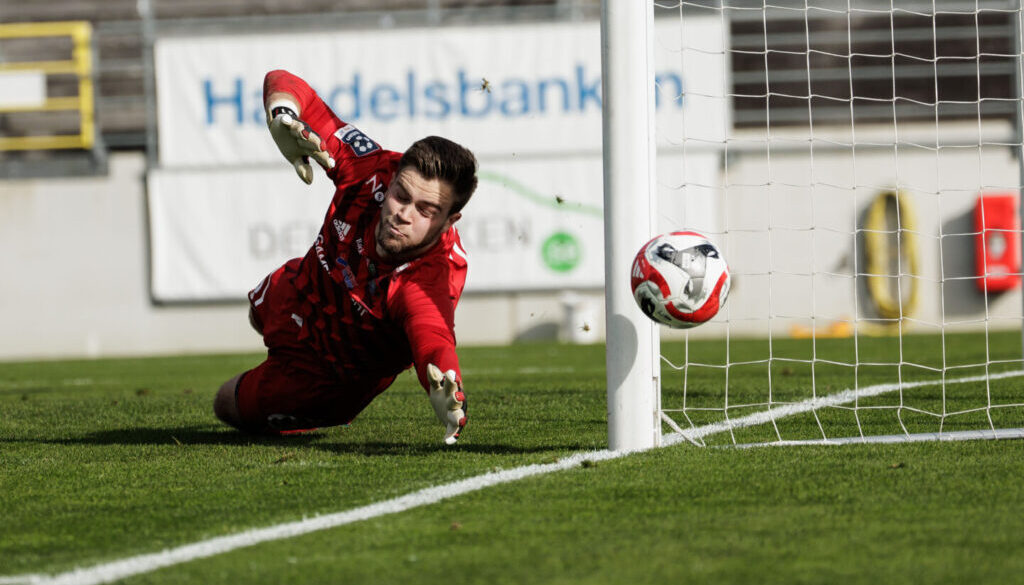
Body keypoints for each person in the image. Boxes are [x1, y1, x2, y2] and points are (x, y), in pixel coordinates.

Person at [213, 69, 474, 444]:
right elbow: (285, 80)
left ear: (451, 220)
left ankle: (302, 416)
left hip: (330, 372)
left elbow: (433, 338)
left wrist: (445, 384)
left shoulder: (426, 279)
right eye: (401, 194)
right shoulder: (370, 168)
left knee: (226, 404)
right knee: (256, 311)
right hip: (300, 289)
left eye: (425, 210)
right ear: (394, 175)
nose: (403, 212)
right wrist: (282, 115)